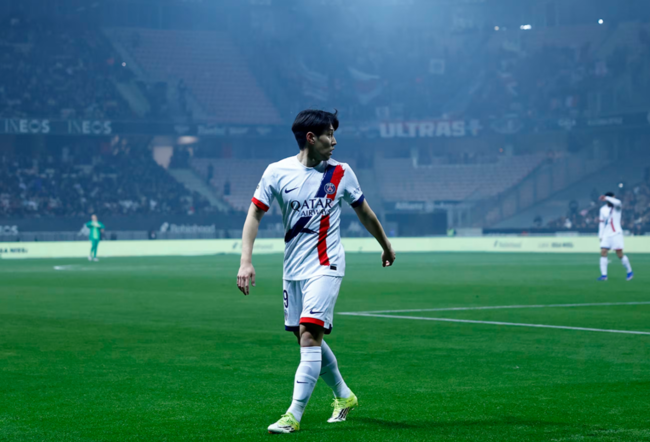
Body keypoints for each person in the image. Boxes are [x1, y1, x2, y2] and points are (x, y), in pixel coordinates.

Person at [236, 109, 396, 434]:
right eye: (329, 135)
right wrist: (245, 260)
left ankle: (292, 416)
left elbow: (365, 212)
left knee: (309, 335)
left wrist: (386, 245)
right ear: (311, 138)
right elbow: (254, 213)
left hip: (327, 265)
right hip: (293, 270)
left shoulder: (341, 173)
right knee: (305, 337)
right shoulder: (277, 172)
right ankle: (344, 395)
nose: (334, 142)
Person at [597, 192, 633, 281]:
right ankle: (604, 275)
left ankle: (629, 271)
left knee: (619, 254)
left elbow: (618, 202)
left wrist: (606, 198)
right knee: (603, 252)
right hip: (606, 234)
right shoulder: (602, 209)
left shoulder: (617, 207)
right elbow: (601, 223)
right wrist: (600, 235)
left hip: (616, 233)